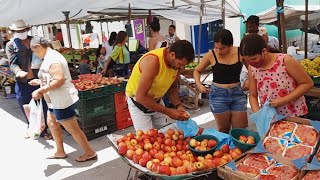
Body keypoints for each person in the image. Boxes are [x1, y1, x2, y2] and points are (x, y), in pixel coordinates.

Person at [29, 36, 97, 161]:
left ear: (38, 46)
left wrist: (41, 90)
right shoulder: (50, 56)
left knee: (72, 128)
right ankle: (60, 151)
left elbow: (59, 79)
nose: (34, 53)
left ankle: (90, 152)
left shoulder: (52, 58)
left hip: (61, 100)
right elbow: (53, 77)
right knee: (52, 123)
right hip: (54, 101)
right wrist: (40, 82)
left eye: (34, 50)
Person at [126, 40, 194, 131]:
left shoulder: (176, 65)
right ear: (172, 55)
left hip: (156, 101)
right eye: (180, 64)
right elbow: (141, 97)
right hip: (139, 103)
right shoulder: (153, 62)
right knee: (147, 139)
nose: (181, 68)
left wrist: (178, 105)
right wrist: (168, 111)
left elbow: (172, 87)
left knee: (164, 134)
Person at [240, 34, 313, 117]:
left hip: (294, 114)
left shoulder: (285, 60)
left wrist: (282, 101)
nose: (251, 63)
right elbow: (253, 95)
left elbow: (307, 83)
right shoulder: (252, 68)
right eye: (248, 61)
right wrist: (258, 115)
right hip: (270, 117)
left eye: (254, 59)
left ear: (264, 51)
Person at [194, 29, 248, 133]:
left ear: (230, 45)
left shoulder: (240, 52)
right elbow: (197, 71)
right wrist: (199, 84)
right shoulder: (211, 55)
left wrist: (249, 80)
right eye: (216, 47)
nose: (219, 51)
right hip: (218, 95)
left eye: (222, 48)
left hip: (237, 93)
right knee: (223, 130)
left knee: (240, 131)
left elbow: (251, 68)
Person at [6, 19, 52, 140]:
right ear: (14, 31)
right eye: (18, 31)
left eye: (23, 30)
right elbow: (12, 63)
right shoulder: (11, 45)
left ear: (27, 29)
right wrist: (18, 71)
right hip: (23, 81)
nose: (21, 32)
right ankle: (32, 126)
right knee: (25, 105)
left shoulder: (35, 41)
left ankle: (44, 129)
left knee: (43, 105)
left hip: (38, 79)